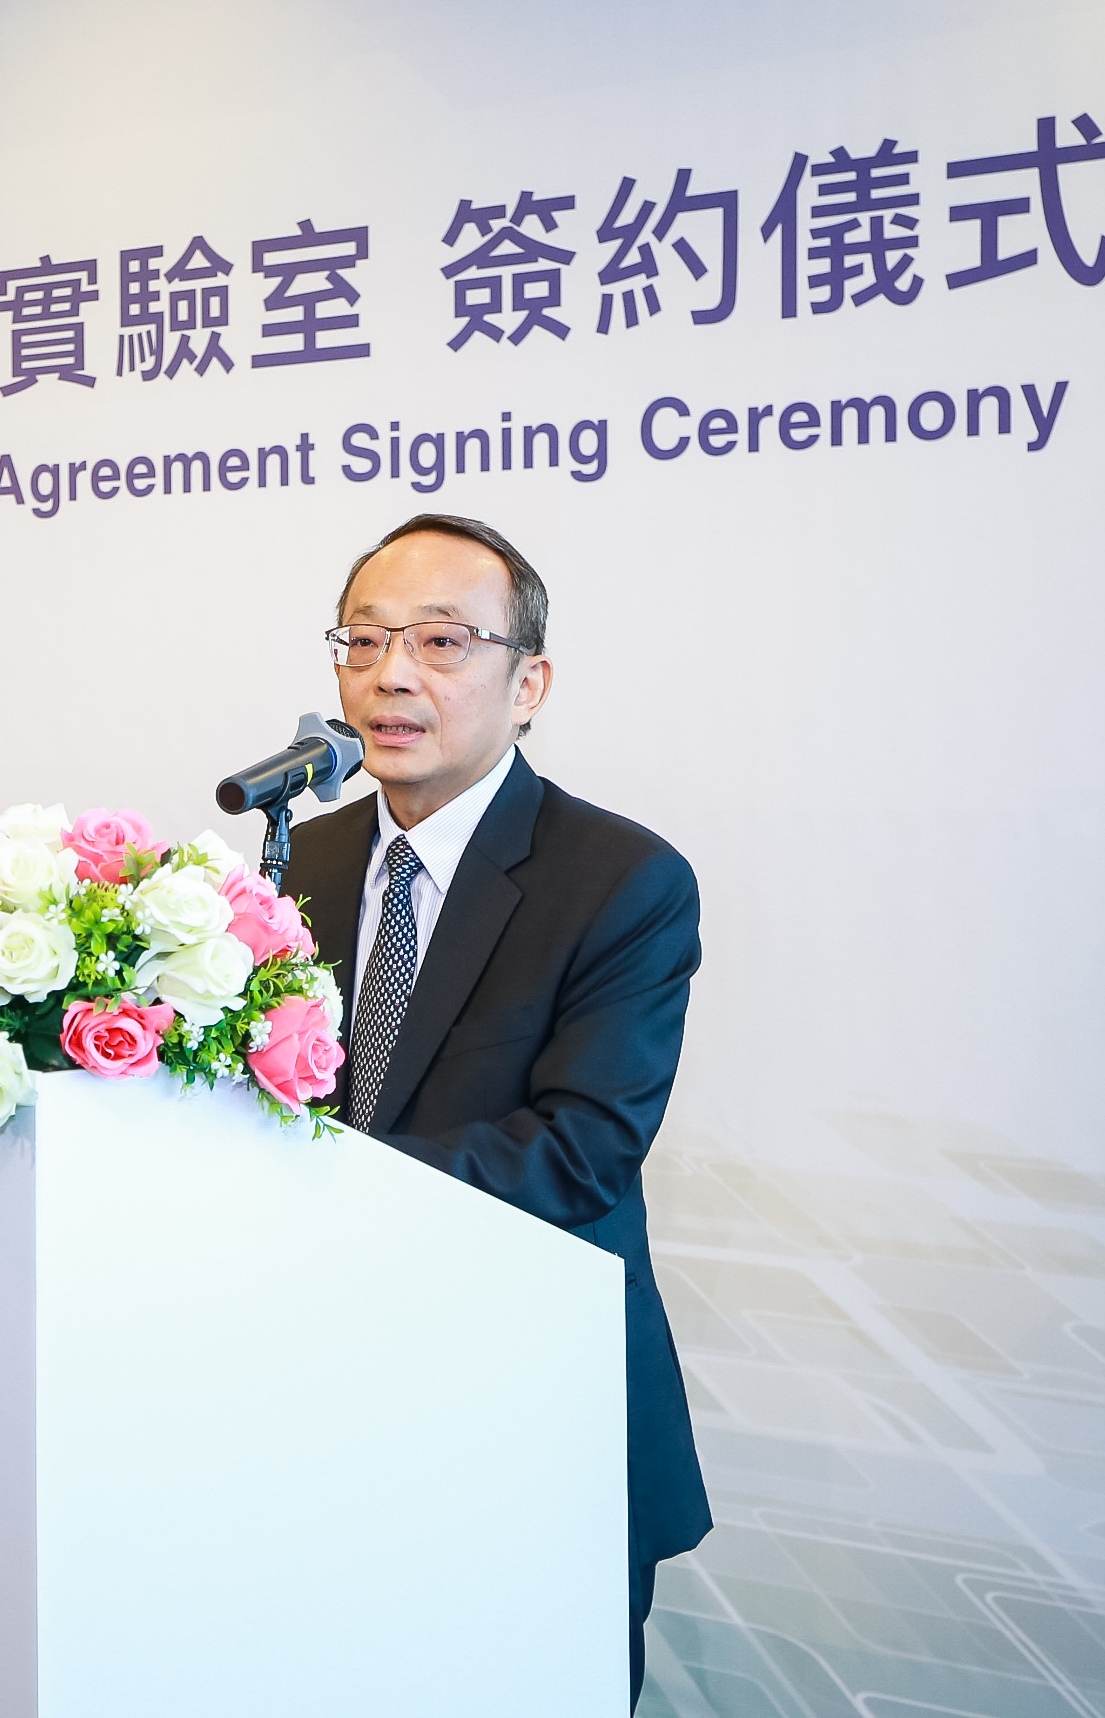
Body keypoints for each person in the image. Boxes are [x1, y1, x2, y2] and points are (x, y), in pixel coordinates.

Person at [279, 513, 710, 1707]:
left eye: (440, 641)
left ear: (530, 685)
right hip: (316, 1402)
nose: (391, 674)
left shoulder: (619, 880)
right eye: (360, 641)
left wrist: (302, 1190)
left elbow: (579, 1153)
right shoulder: (293, 865)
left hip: (527, 1415)